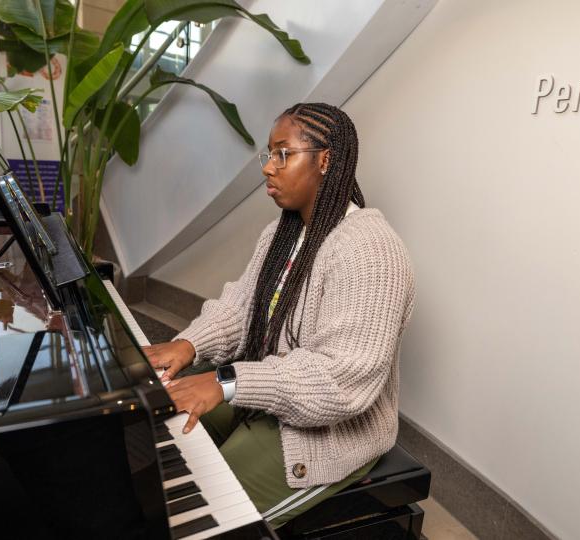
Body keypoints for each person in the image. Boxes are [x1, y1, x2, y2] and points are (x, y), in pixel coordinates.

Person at [143, 102, 415, 529]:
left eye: (282, 154)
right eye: (268, 155)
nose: (268, 168)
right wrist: (188, 344)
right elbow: (242, 308)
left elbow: (340, 380)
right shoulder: (282, 232)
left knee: (201, 513)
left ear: (325, 159)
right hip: (273, 394)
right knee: (163, 434)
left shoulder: (370, 250)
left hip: (332, 431)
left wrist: (228, 381)